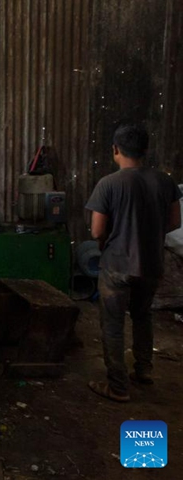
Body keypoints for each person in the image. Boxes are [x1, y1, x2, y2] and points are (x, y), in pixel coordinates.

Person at [85, 123, 182, 402]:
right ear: (145, 150)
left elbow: (96, 231)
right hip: (151, 264)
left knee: (113, 324)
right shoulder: (165, 181)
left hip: (117, 265)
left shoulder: (109, 184)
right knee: (142, 316)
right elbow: (175, 221)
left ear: (115, 150)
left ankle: (117, 386)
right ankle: (144, 370)